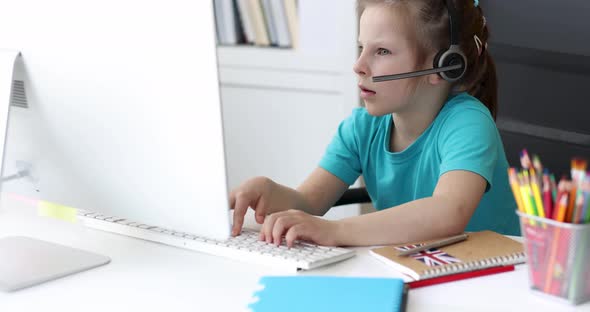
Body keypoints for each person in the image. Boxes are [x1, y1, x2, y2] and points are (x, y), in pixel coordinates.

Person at [230, 0, 519, 248]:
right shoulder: (361, 128)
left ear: (444, 65)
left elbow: (448, 212)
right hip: (419, 268)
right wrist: (270, 192)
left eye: (381, 51)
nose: (358, 65)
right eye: (360, 47)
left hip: (497, 278)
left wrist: (336, 230)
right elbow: (309, 202)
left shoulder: (468, 123)